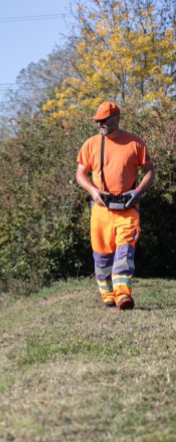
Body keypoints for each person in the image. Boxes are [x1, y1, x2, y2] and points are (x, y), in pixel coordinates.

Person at [75, 102, 155, 311]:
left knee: (124, 251)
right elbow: (80, 174)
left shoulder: (135, 143)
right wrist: (94, 191)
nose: (99, 124)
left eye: (104, 120)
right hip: (100, 209)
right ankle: (108, 295)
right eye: (97, 121)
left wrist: (138, 193)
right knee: (101, 256)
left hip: (128, 209)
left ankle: (123, 296)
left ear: (117, 119)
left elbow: (149, 171)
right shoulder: (91, 144)